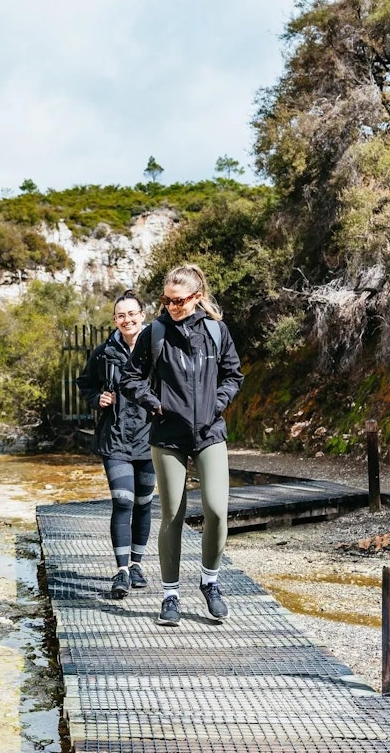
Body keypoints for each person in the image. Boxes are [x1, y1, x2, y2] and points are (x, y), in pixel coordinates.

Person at [119, 264, 243, 626]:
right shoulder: (154, 333)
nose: (172, 307)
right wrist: (155, 403)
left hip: (209, 433)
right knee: (172, 514)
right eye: (167, 301)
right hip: (167, 435)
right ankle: (170, 594)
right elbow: (131, 378)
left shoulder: (216, 331)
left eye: (179, 301)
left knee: (217, 510)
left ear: (197, 297)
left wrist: (217, 404)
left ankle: (210, 582)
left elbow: (234, 375)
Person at [75, 289, 155, 600]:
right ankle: (121, 570)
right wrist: (99, 399)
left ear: (142, 315)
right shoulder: (104, 352)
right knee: (123, 500)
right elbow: (85, 383)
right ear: (114, 320)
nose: (127, 319)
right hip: (116, 438)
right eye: (121, 315)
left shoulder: (157, 347)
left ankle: (137, 564)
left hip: (151, 438)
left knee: (144, 504)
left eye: (132, 314)